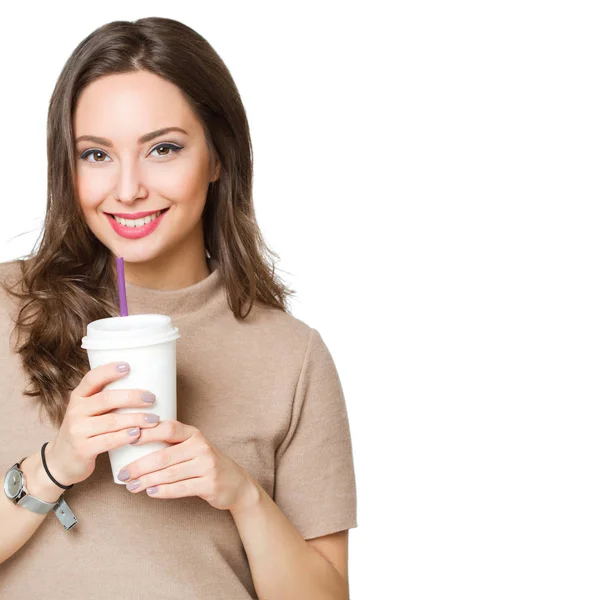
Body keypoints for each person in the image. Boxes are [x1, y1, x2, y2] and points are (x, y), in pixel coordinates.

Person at [0, 16, 357, 599]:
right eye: (96, 154)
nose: (128, 188)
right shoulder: (6, 308)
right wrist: (54, 466)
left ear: (219, 158)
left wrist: (242, 495)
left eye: (163, 148)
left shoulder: (291, 356)